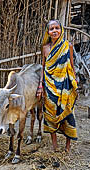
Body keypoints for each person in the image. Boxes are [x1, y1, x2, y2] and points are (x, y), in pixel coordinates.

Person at [37, 20, 78, 152]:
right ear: (47, 32)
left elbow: (71, 65)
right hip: (49, 87)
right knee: (50, 114)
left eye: (57, 28)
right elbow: (43, 68)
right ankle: (55, 147)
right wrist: (40, 86)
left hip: (65, 86)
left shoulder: (68, 46)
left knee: (68, 114)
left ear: (61, 30)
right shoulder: (45, 48)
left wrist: (74, 83)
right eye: (51, 29)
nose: (55, 31)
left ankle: (67, 148)